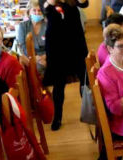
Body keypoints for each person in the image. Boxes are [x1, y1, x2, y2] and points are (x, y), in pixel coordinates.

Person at [43, 0, 90, 131]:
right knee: (58, 84)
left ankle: (90, 111)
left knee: (85, 80)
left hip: (76, 42)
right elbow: (45, 8)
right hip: (56, 46)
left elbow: (84, 3)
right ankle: (57, 116)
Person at [16, 3, 48, 74]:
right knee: (38, 68)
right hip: (30, 55)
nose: (37, 13)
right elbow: (22, 46)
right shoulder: (23, 26)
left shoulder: (48, 25)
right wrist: (34, 57)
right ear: (29, 12)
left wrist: (45, 57)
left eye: (39, 10)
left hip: (47, 55)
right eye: (34, 10)